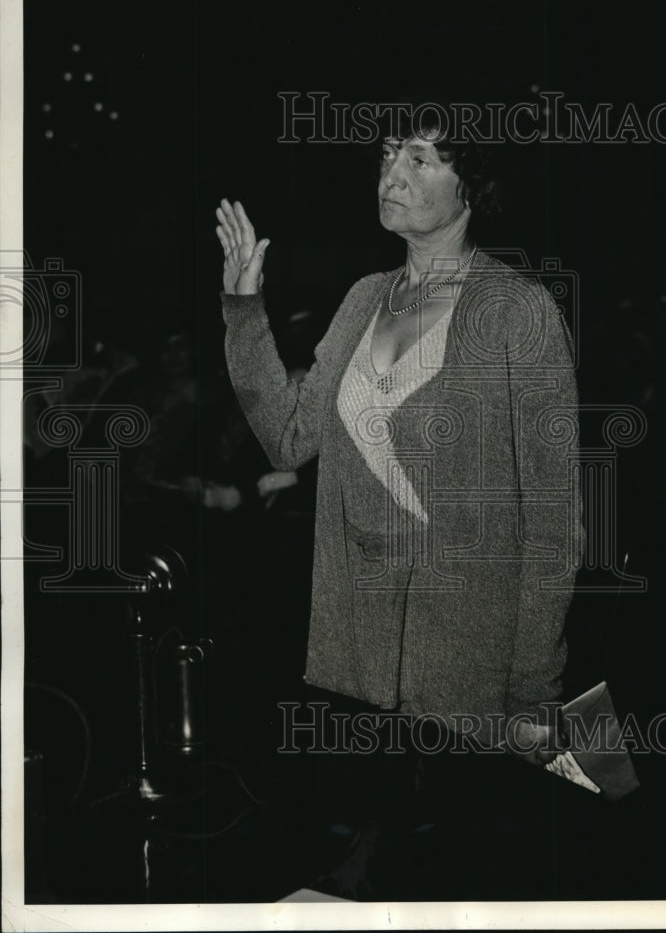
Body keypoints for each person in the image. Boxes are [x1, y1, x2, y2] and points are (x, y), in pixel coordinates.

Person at [216, 107, 585, 895]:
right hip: (356, 660)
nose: (393, 174)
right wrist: (245, 309)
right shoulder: (362, 298)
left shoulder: (517, 310)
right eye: (388, 153)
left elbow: (555, 517)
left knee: (457, 880)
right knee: (360, 877)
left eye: (421, 158)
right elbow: (288, 437)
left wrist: (531, 687)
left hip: (474, 670)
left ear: (472, 185)